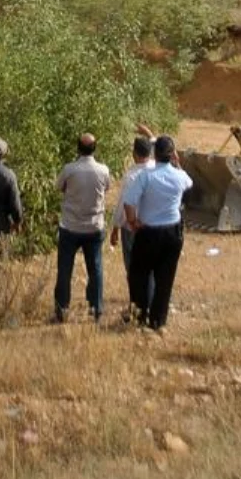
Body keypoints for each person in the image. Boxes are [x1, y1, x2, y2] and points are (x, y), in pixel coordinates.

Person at [120, 134, 193, 331]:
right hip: (172, 233)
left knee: (139, 275)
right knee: (165, 279)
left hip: (148, 231)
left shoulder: (146, 176)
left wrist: (133, 221)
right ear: (172, 155)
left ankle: (139, 316)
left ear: (155, 153)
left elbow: (129, 201)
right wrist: (178, 163)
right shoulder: (180, 176)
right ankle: (158, 321)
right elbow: (189, 183)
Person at [53, 133, 111, 323]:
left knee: (64, 269)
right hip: (94, 227)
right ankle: (97, 309)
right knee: (95, 268)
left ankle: (62, 310)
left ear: (77, 148)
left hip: (70, 226)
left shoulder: (69, 169)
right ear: (95, 149)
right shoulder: (103, 170)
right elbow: (107, 189)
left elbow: (59, 187)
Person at [110, 133, 155, 286]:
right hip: (154, 226)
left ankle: (137, 301)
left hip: (132, 227)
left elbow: (123, 203)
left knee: (132, 265)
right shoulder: (157, 170)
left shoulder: (131, 176)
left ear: (134, 153)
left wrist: (115, 227)